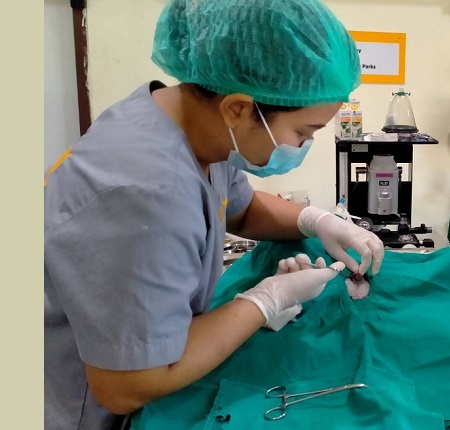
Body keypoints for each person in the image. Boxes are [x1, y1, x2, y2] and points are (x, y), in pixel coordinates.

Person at [44, 1, 385, 428]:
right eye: (304, 132)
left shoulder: (187, 122)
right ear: (239, 109)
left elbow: (240, 210)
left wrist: (315, 221)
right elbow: (124, 385)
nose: (303, 146)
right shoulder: (144, 189)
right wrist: (264, 301)